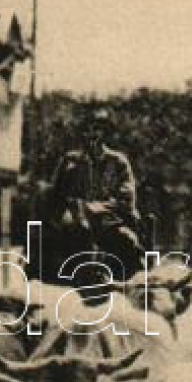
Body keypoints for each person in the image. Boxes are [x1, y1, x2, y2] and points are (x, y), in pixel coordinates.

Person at [49, 105, 143, 278]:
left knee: (127, 243)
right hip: (75, 225)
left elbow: (126, 201)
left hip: (110, 225)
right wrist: (68, 211)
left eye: (97, 129)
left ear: (106, 134)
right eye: (86, 129)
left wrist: (93, 208)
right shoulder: (70, 161)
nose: (91, 135)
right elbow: (55, 195)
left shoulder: (118, 162)